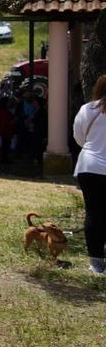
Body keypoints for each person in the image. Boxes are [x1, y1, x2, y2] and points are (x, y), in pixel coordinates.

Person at [72, 75, 106, 274]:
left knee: (93, 212)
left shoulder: (88, 109)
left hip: (90, 165)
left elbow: (78, 136)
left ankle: (96, 261)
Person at [0, 96, 15, 162]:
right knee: (6, 145)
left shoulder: (3, 110)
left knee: (6, 144)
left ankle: (4, 158)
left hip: (5, 130)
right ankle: (4, 158)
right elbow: (5, 122)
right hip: (6, 130)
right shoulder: (3, 111)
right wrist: (12, 121)